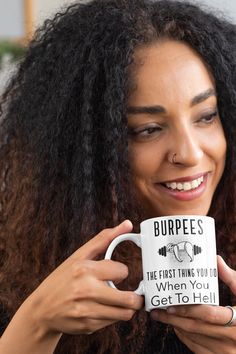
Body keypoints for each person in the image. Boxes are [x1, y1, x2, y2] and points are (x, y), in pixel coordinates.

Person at [0, 0, 235, 353]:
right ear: (84, 150)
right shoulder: (14, 274)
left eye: (206, 116)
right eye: (148, 129)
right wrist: (35, 324)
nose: (189, 153)